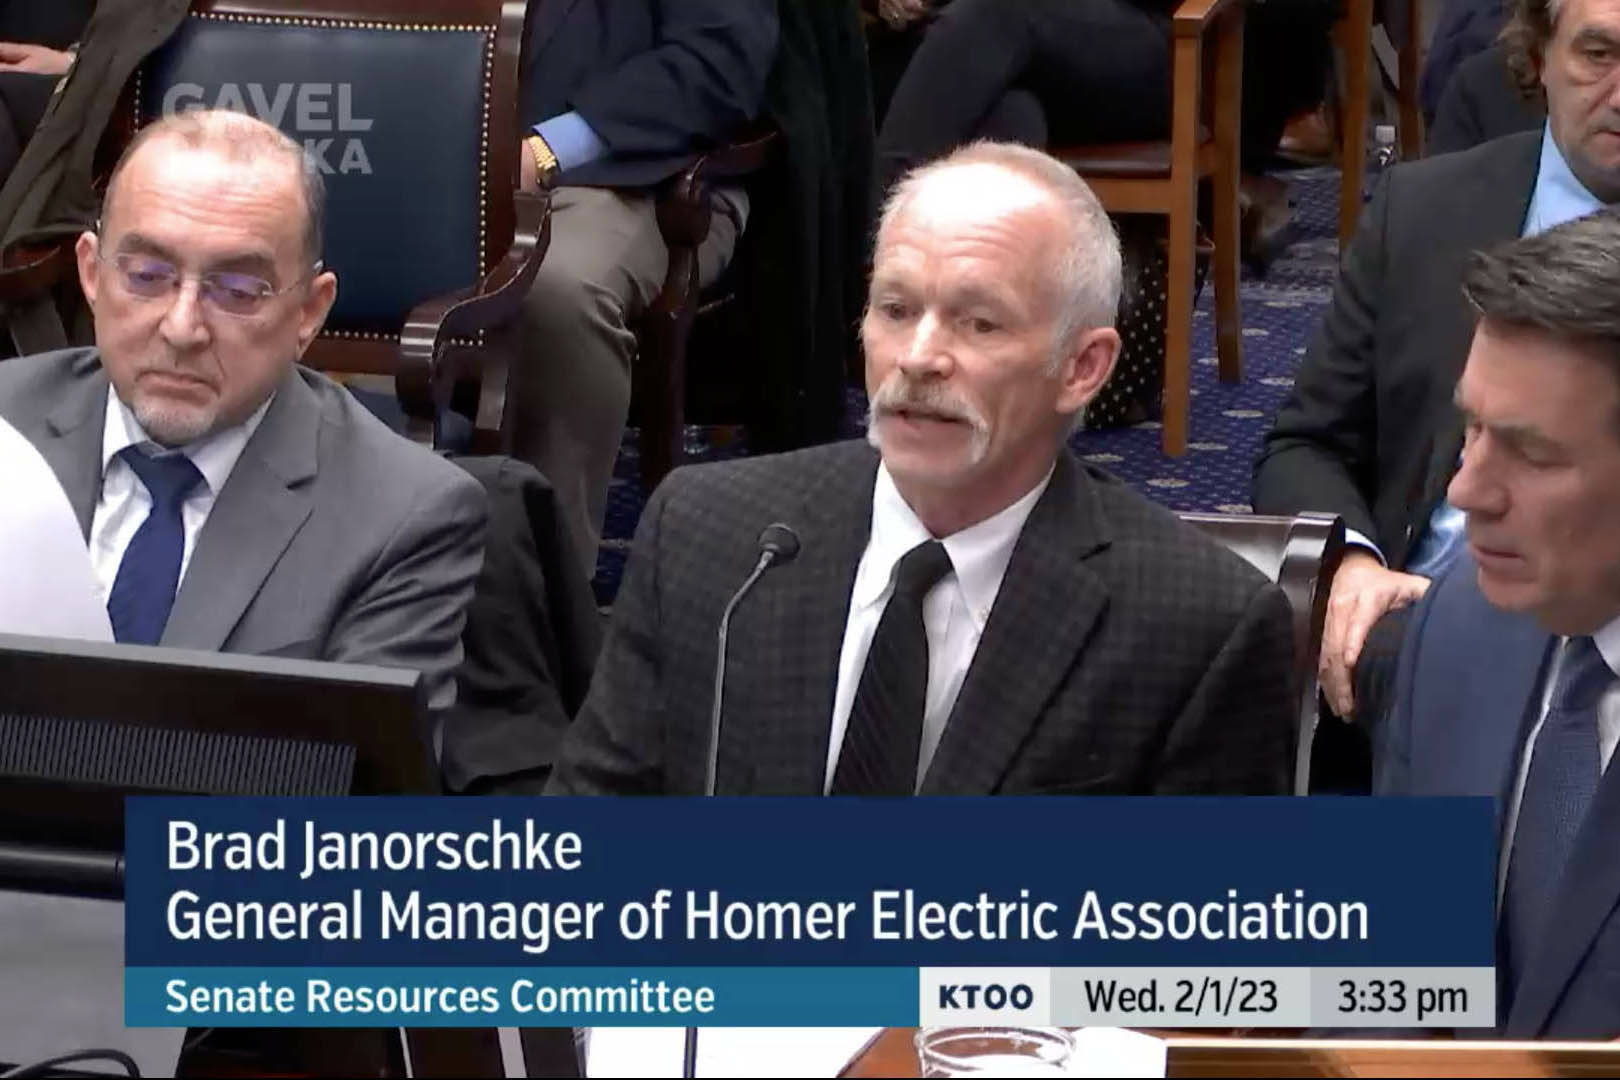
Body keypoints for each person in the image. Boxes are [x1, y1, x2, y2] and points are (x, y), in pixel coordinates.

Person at [547, 141, 1298, 798]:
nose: (918, 358)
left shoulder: (1199, 627)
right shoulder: (708, 535)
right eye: (896, 310)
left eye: (979, 322)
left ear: (1082, 366)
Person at [0, 109, 486, 712]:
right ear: (92, 273)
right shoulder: (6, 427)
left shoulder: (404, 517)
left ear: (309, 311)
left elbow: (355, 784)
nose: (182, 329)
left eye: (237, 292)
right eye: (147, 276)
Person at [1251, 0, 1620, 726]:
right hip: (1406, 631)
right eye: (1598, 56)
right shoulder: (1422, 209)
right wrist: (1351, 568)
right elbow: (1308, 443)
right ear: (1540, 57)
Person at [1377, 210, 1620, 1039]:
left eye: (1533, 453)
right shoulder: (1460, 625)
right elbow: (1392, 983)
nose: (1465, 492)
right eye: (1473, 429)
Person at [511, 1, 778, 583]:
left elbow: (717, 65)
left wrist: (547, 149)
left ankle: (545, 607)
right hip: (415, 149)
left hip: (630, 174)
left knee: (556, 290)